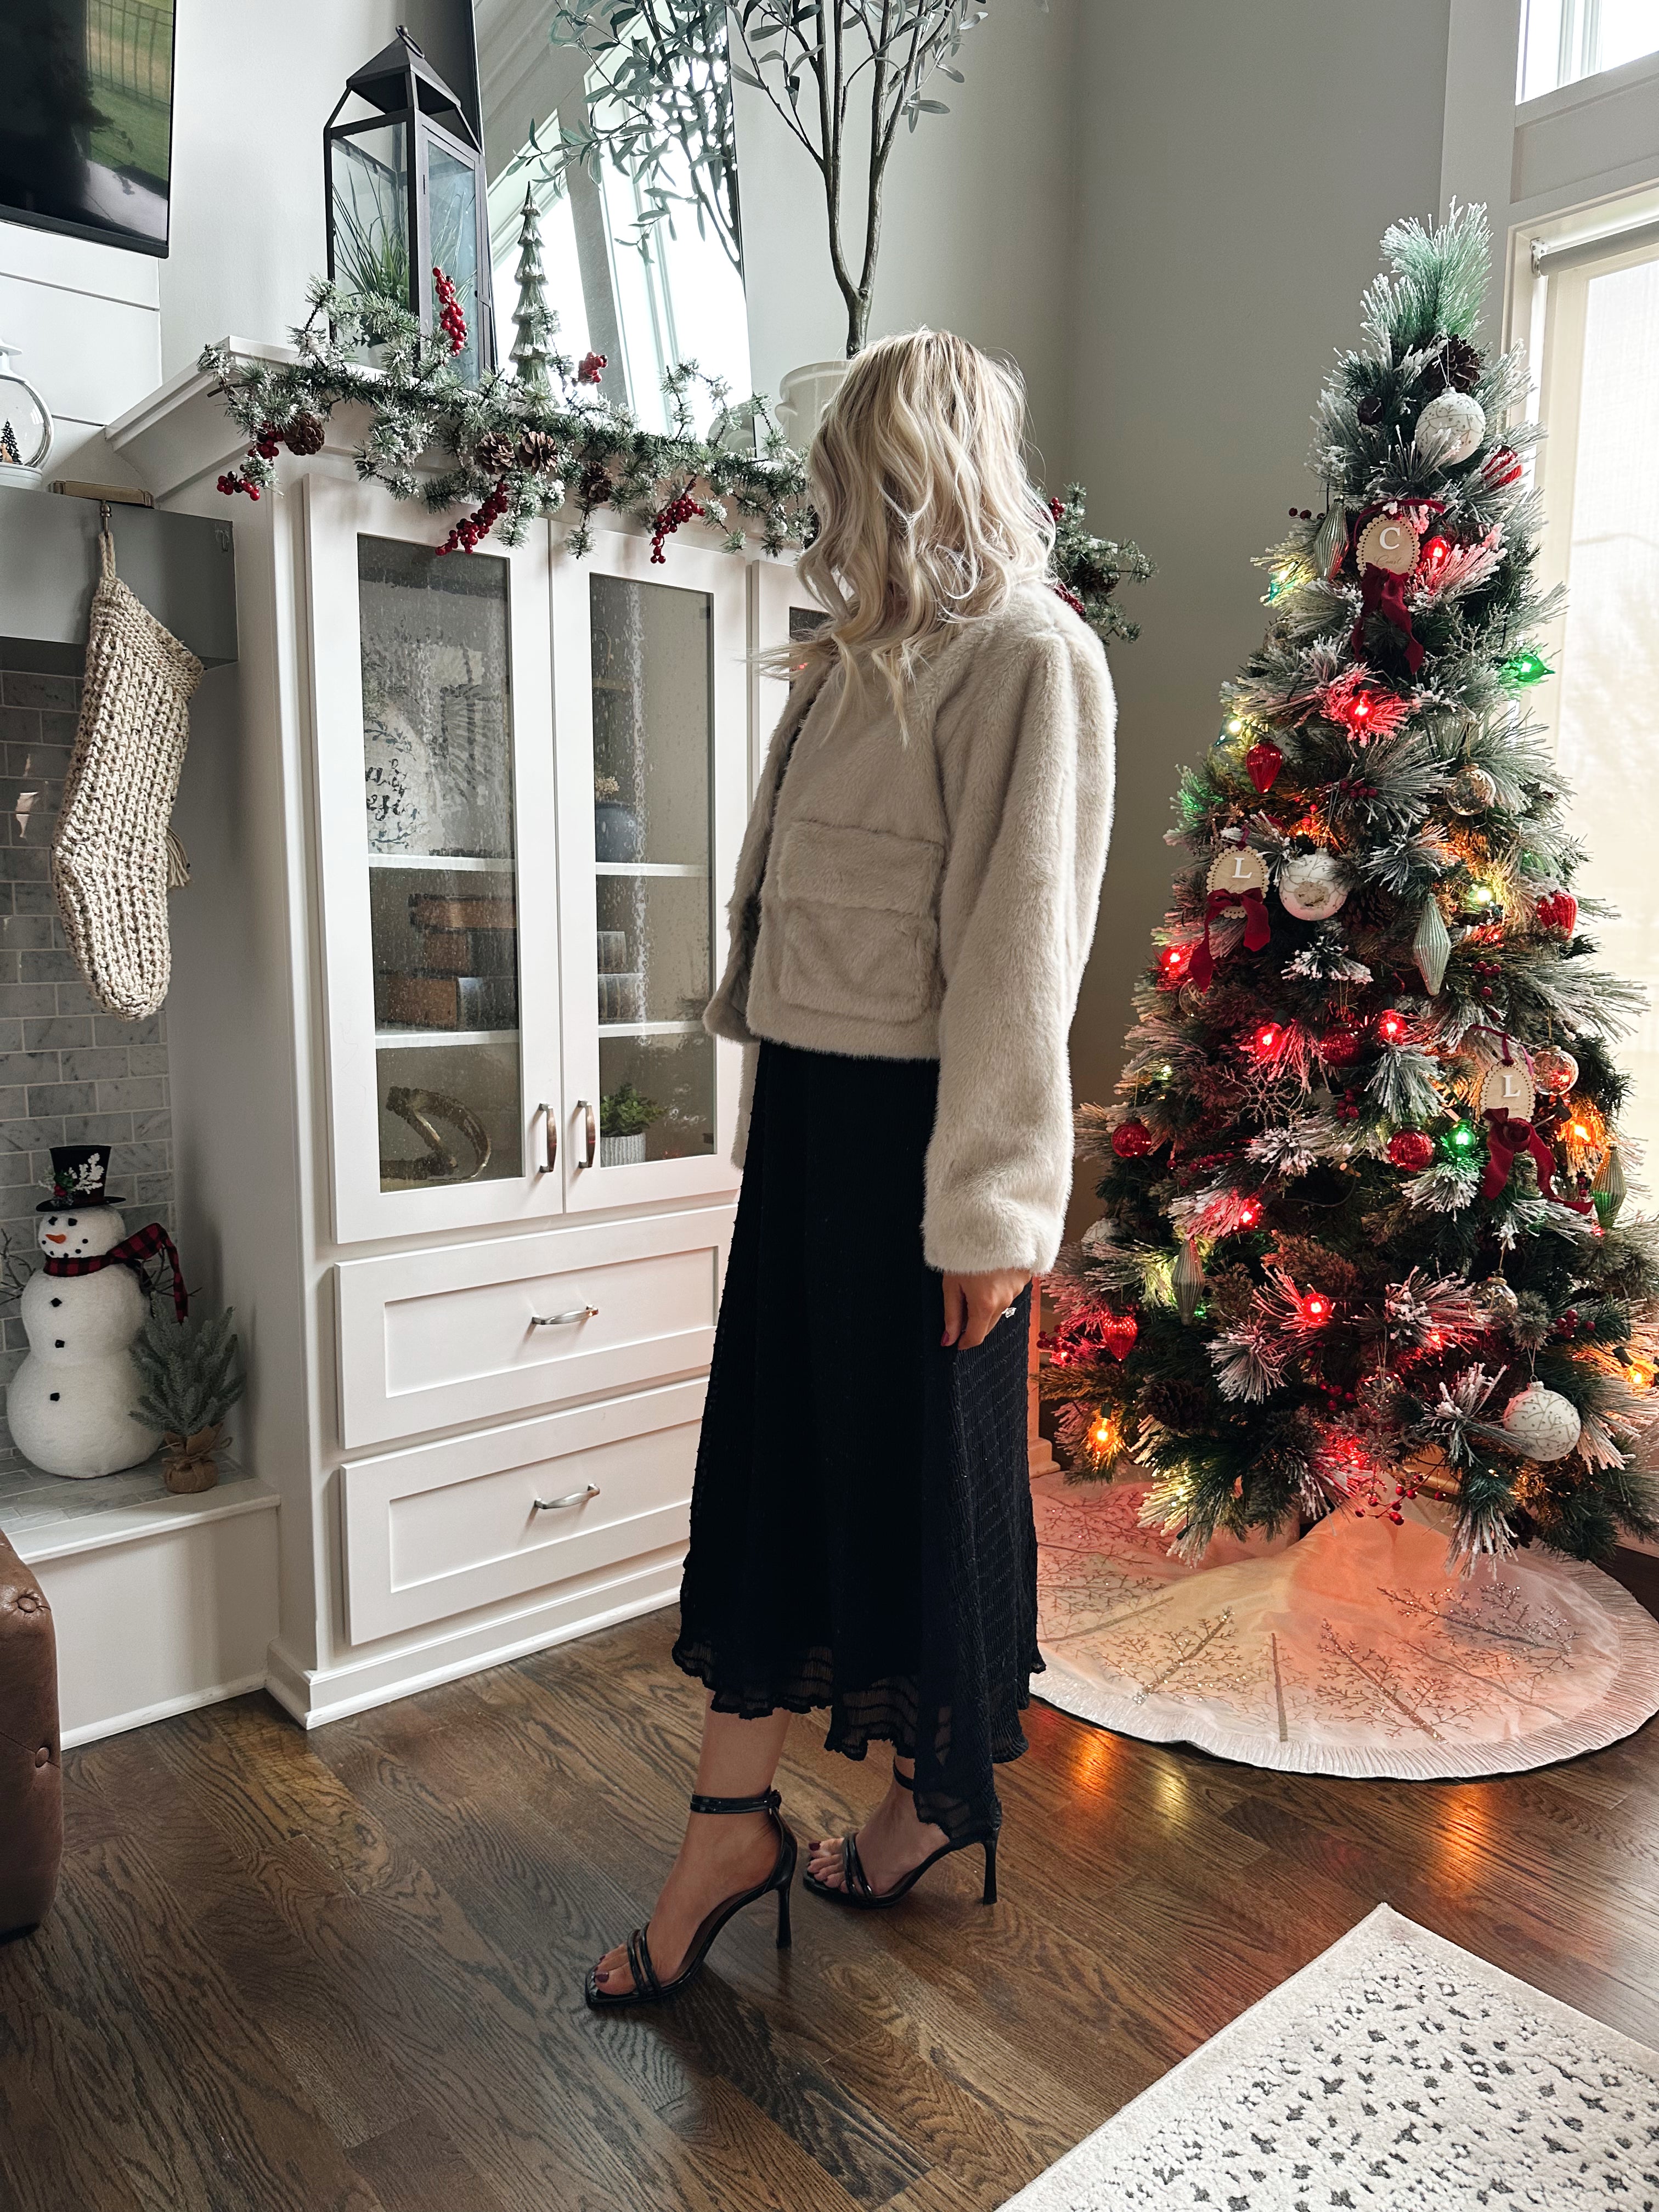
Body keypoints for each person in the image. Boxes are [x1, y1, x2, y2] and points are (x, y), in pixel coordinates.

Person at [587, 329, 1116, 2008]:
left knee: (920, 1491)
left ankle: (880, 1814)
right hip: (819, 1130)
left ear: (917, 467)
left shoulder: (1034, 657)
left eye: (849, 478)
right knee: (779, 1476)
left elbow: (1021, 960)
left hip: (928, 1155)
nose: (829, 511)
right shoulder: (854, 660)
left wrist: (993, 1214)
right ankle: (757, 1823)